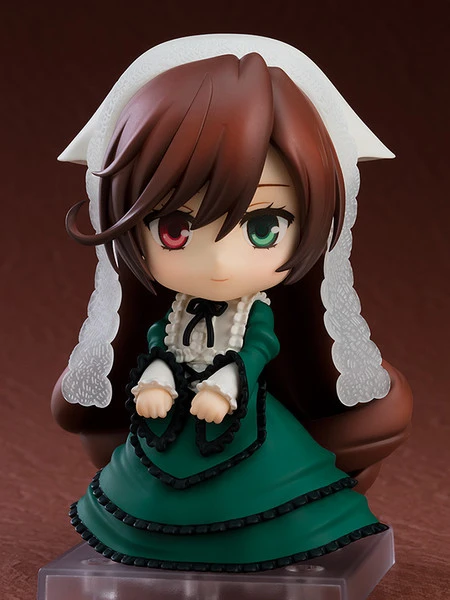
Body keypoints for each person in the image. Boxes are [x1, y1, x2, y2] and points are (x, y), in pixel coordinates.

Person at [52, 35, 412, 570]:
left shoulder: (254, 313)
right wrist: (156, 380)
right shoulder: (173, 311)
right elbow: (159, 343)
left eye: (263, 227)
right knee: (151, 489)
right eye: (175, 229)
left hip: (240, 419)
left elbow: (258, 348)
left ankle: (261, 546)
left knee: (259, 497)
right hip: (173, 419)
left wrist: (224, 386)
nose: (219, 260)